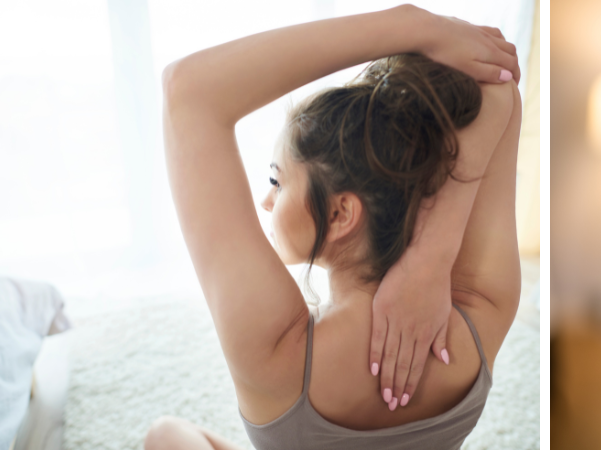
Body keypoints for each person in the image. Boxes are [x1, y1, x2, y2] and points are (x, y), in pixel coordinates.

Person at [142, 5, 522, 449]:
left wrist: (413, 26)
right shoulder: (483, 311)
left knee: (164, 434)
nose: (266, 200)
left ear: (341, 214)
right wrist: (432, 252)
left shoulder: (278, 352)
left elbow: (186, 91)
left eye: (276, 181)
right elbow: (499, 86)